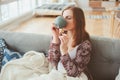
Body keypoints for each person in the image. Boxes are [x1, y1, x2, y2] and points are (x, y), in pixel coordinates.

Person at [48, 6, 93, 80]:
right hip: (58, 74)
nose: (64, 21)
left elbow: (74, 73)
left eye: (68, 18)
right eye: (63, 17)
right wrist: (55, 37)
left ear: (78, 21)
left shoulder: (85, 45)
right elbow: (53, 62)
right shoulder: (60, 36)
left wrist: (64, 51)